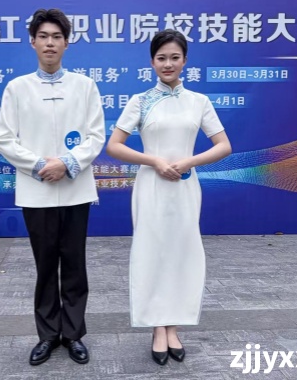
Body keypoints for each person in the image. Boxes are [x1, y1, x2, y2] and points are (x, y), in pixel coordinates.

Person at [106, 29, 232, 365]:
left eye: (175, 57)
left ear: (185, 61)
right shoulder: (140, 100)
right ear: (152, 62)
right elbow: (114, 145)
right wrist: (154, 161)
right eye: (161, 58)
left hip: (185, 187)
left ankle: (173, 326)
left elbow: (224, 146)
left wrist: (189, 161)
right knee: (152, 251)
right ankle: (156, 327)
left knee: (181, 252)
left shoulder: (199, 102)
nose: (168, 64)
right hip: (151, 185)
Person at [0, 8, 105, 365]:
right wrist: (40, 165)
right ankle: (47, 335)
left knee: (74, 263)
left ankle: (73, 334)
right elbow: (5, 140)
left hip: (75, 188)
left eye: (57, 37)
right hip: (37, 189)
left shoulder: (85, 86)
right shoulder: (17, 88)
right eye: (43, 36)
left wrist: (67, 163)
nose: (50, 43)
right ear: (32, 41)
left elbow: (95, 137)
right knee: (45, 266)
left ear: (66, 43)